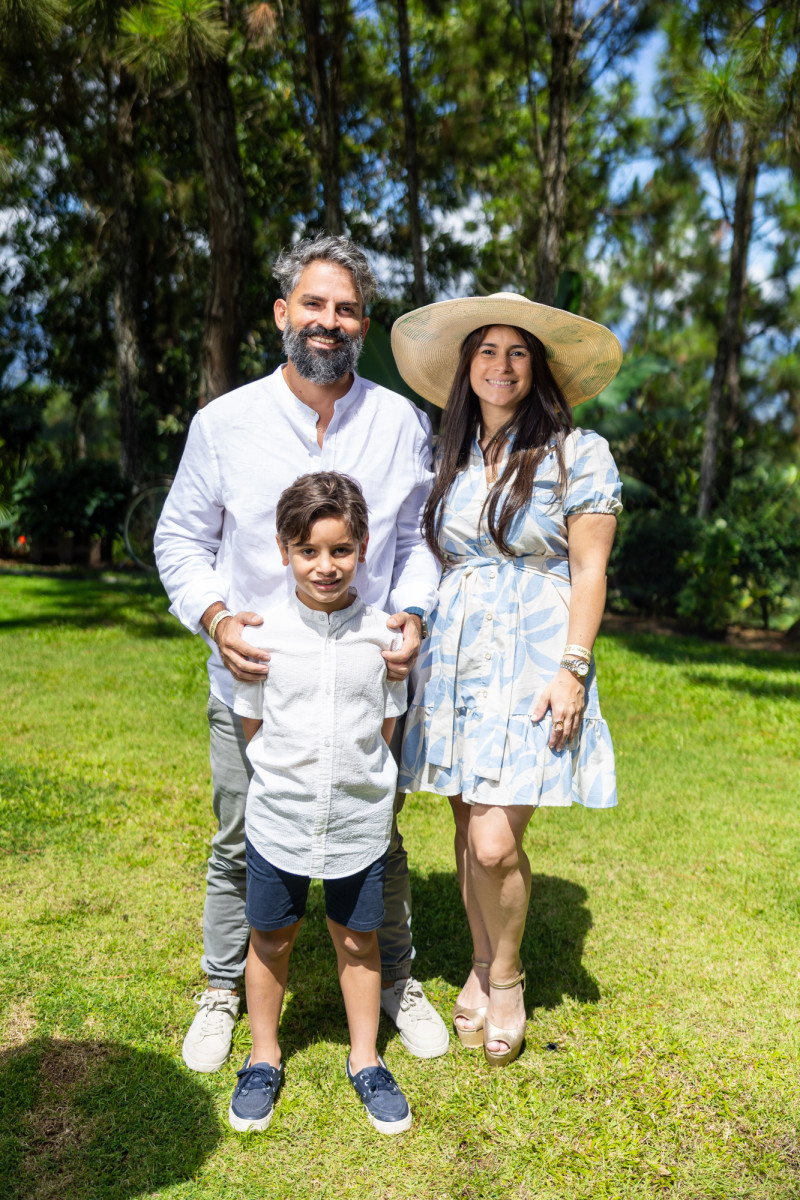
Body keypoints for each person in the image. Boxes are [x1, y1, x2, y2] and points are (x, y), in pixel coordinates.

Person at [154, 234, 449, 1075]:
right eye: (313, 305)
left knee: (378, 830)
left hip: (368, 676)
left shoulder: (400, 423)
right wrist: (216, 618)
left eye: (347, 308)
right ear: (283, 314)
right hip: (255, 678)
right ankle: (221, 990)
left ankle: (396, 980)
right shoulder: (226, 424)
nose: (330, 321)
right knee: (242, 835)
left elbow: (422, 544)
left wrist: (414, 616)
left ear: (364, 323)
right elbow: (179, 538)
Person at [391, 292, 623, 1067]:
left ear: (538, 368)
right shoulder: (448, 453)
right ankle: (478, 964)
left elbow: (589, 570)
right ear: (467, 367)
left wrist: (574, 668)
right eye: (486, 351)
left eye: (516, 352)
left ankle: (509, 976)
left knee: (494, 841)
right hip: (455, 655)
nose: (500, 365)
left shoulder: (576, 452)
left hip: (533, 656)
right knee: (464, 826)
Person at [228, 472, 412, 1135]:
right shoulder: (262, 634)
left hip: (360, 823)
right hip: (280, 820)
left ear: (362, 547)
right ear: (284, 551)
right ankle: (263, 1055)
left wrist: (361, 781)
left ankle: (366, 1061)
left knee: (359, 940)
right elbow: (252, 726)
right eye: (309, 551)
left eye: (340, 550)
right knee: (271, 939)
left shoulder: (385, 638)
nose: (325, 566)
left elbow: (387, 723)